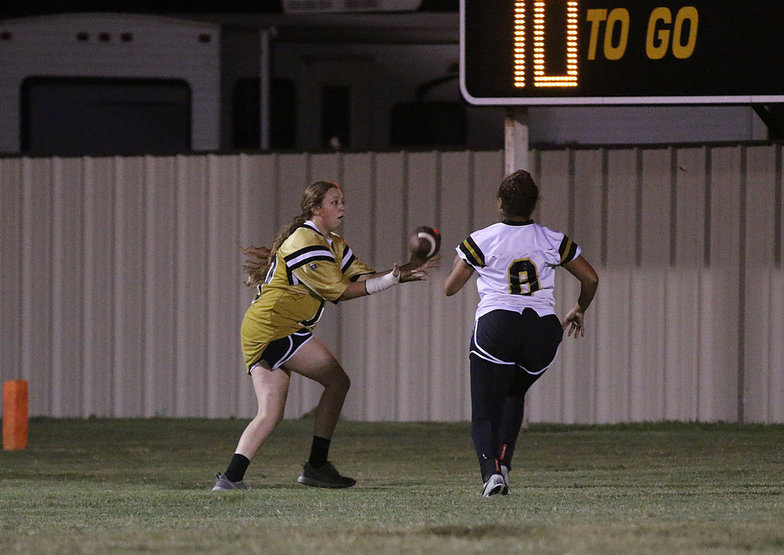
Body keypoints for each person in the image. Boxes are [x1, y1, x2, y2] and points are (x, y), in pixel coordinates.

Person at [213, 180, 437, 491]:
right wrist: (393, 280)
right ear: (315, 209)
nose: (342, 206)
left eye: (342, 200)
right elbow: (343, 292)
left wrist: (405, 270)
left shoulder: (331, 242)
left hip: (266, 327)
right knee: (337, 381)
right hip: (276, 326)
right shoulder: (306, 242)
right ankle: (316, 466)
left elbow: (363, 276)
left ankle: (231, 478)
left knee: (270, 412)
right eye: (334, 202)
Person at [444, 170, 599, 497]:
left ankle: (491, 474)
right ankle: (505, 465)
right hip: (542, 330)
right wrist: (580, 308)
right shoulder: (552, 239)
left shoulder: (483, 239)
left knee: (485, 407)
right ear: (536, 203)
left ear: (499, 203)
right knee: (513, 394)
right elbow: (591, 278)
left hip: (498, 325)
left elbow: (450, 287)